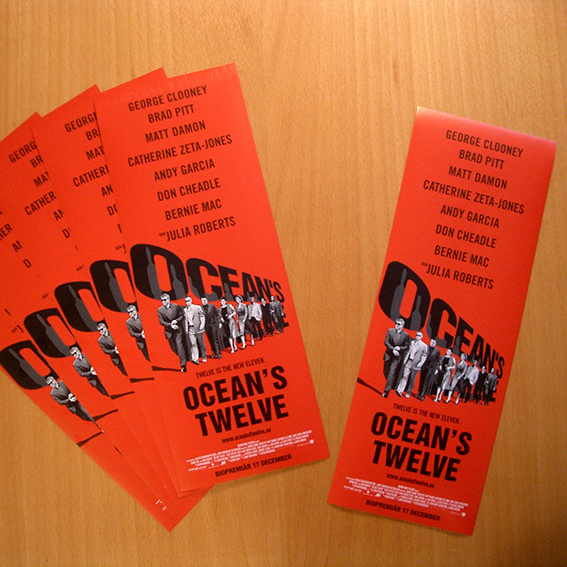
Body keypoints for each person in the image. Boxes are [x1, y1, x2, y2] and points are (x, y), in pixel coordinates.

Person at [157, 292, 187, 372]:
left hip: (177, 330)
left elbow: (181, 316)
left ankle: (183, 365)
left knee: (179, 346)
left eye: (164, 299)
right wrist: (171, 325)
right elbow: (161, 321)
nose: (163, 301)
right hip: (169, 332)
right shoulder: (160, 310)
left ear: (168, 299)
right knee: (174, 348)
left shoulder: (176, 306)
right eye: (162, 300)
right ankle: (184, 357)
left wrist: (176, 321)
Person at [382, 317, 410, 398]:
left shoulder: (405, 335)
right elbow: (386, 342)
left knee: (391, 373)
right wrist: (393, 349)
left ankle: (386, 391)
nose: (396, 325)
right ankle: (391, 383)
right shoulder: (390, 331)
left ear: (402, 326)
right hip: (388, 355)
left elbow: (407, 346)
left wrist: (400, 348)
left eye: (399, 324)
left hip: (397, 357)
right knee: (386, 371)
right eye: (396, 323)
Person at [396, 331, 428, 398]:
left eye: (419, 335)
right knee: (404, 376)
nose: (417, 337)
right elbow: (408, 352)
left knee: (412, 379)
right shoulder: (412, 342)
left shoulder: (424, 346)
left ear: (422, 337)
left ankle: (408, 392)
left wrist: (420, 363)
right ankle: (400, 390)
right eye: (417, 335)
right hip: (409, 361)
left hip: (416, 364)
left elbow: (424, 356)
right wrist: (405, 360)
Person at [183, 296, 206, 364]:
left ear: (191, 300)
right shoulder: (185, 310)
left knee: (201, 343)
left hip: (198, 327)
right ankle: (195, 359)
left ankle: (204, 356)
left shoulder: (197, 307)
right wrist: (186, 328)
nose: (187, 302)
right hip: (191, 328)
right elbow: (186, 320)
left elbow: (202, 316)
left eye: (188, 300)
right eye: (186, 301)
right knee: (193, 344)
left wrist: (202, 324)